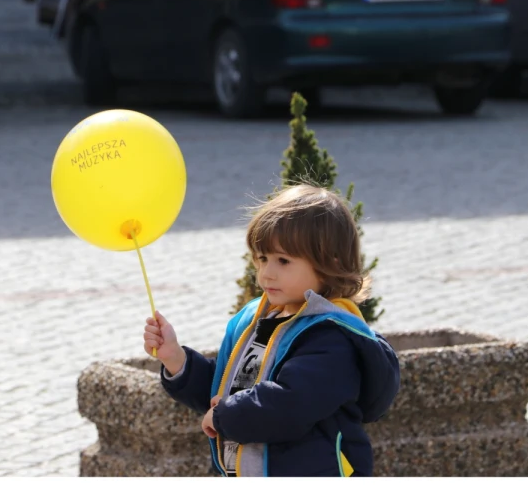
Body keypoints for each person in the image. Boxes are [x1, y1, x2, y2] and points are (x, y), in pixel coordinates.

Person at [143, 183, 401, 476]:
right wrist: (176, 360)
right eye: (263, 258)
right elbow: (225, 388)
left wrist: (225, 415)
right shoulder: (256, 319)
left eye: (284, 261)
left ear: (330, 263)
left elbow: (290, 404)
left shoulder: (332, 336)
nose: (267, 272)